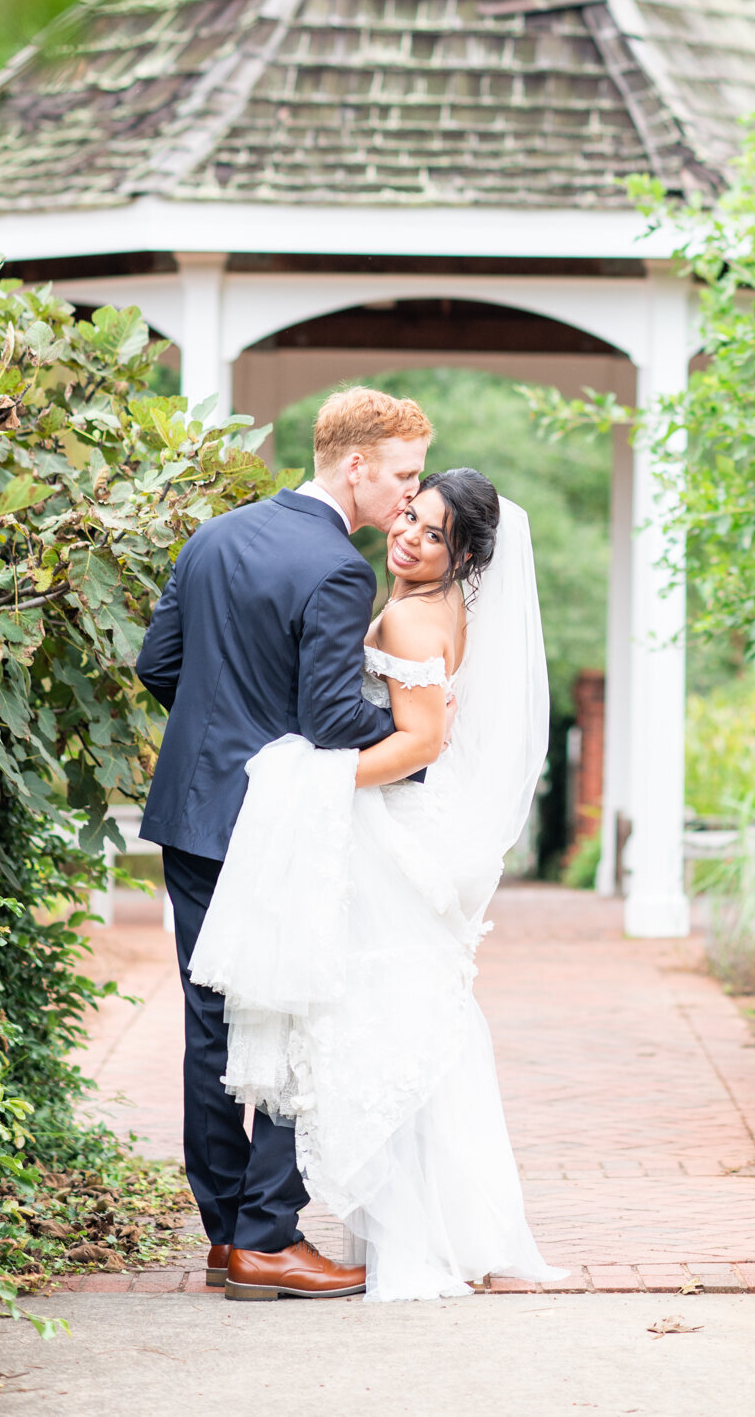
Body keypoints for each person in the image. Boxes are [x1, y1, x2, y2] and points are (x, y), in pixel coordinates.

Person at [190, 467, 564, 1301]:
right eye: (410, 517)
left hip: (388, 826)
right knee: (407, 1019)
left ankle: (356, 1230)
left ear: (464, 554)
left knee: (356, 1018)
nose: (409, 537)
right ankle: (431, 1225)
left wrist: (315, 781)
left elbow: (420, 741)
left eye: (434, 534)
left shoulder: (405, 611)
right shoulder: (451, 610)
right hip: (415, 827)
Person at [136, 386, 432, 1301]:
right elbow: (332, 715)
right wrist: (424, 729)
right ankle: (270, 1236)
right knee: (295, 1017)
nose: (409, 499)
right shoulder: (338, 569)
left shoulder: (213, 537)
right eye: (404, 475)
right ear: (355, 465)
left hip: (190, 814)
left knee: (212, 1023)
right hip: (275, 828)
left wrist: (224, 732)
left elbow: (158, 665)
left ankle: (227, 1236)